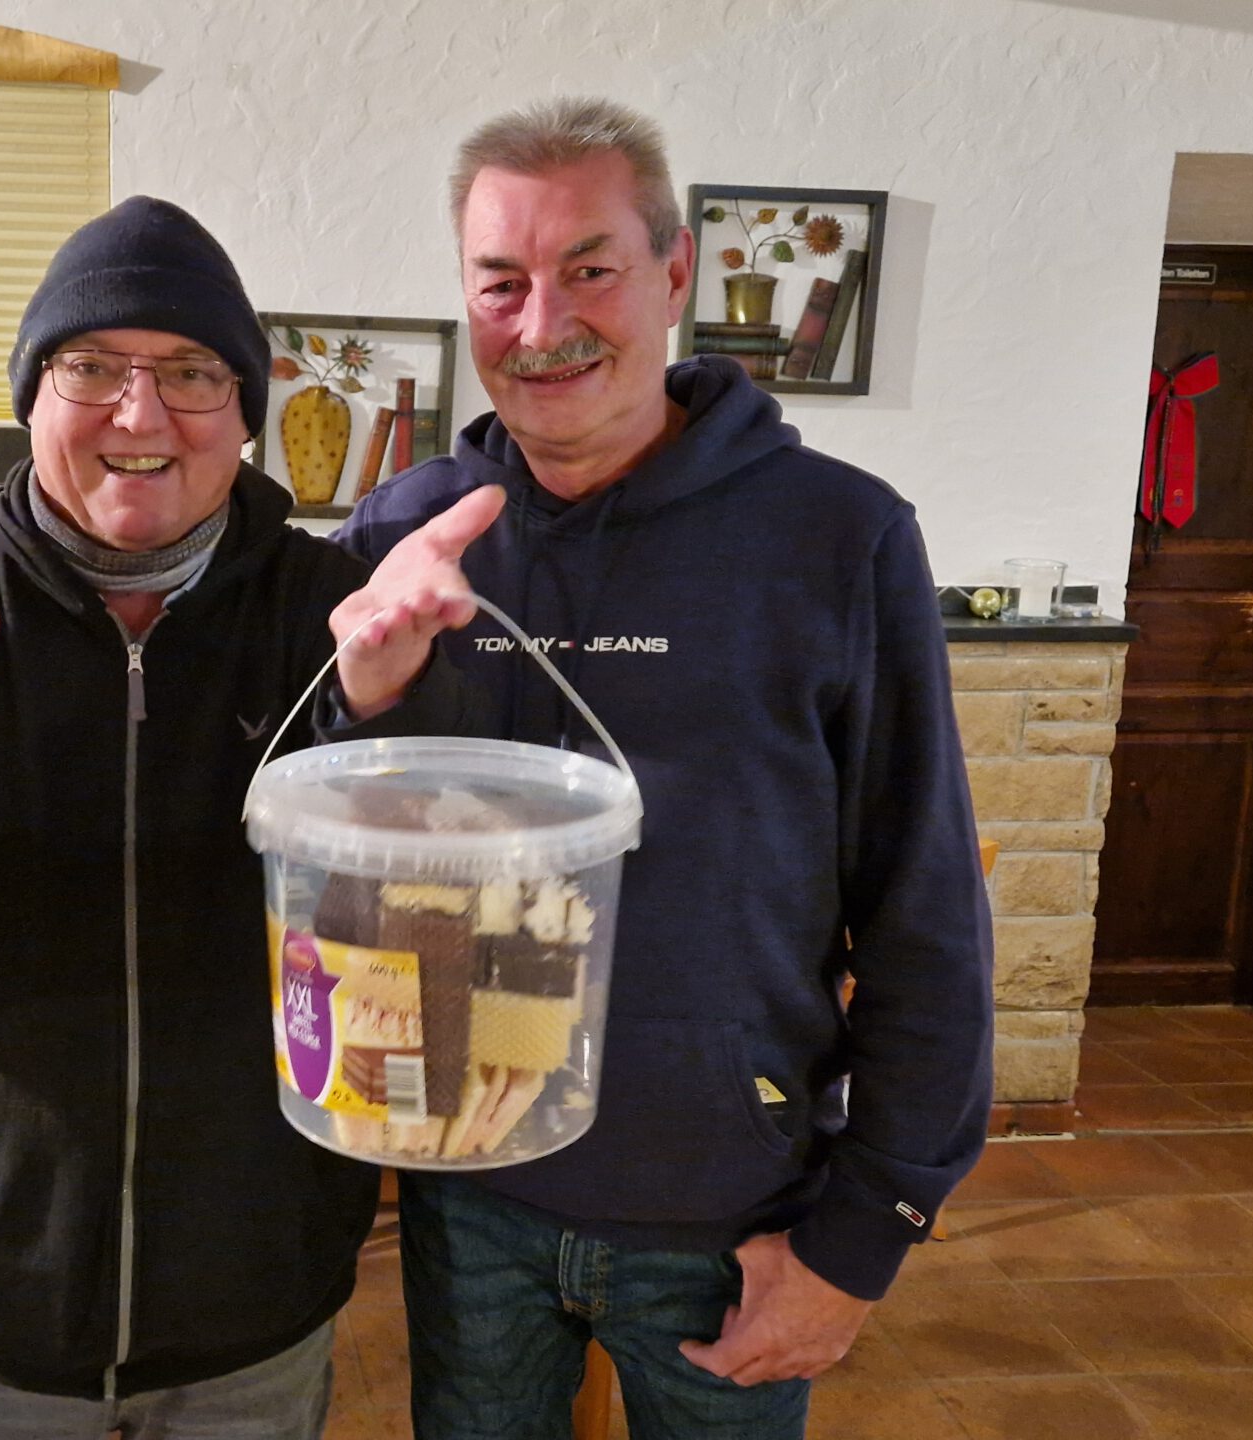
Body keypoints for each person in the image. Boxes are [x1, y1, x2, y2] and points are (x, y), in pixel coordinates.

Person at [0, 195, 503, 1440]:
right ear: (31, 398)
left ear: (244, 412)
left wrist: (385, 707)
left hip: (252, 1310)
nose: (140, 413)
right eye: (92, 368)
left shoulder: (331, 613)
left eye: (191, 373)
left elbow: (431, 930)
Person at [338, 99, 993, 1439]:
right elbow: (336, 863)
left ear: (676, 271)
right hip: (470, 1195)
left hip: (731, 1211)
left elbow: (925, 910)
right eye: (500, 283)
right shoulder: (407, 531)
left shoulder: (838, 537)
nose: (543, 324)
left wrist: (864, 1235)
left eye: (590, 268)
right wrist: (365, 699)